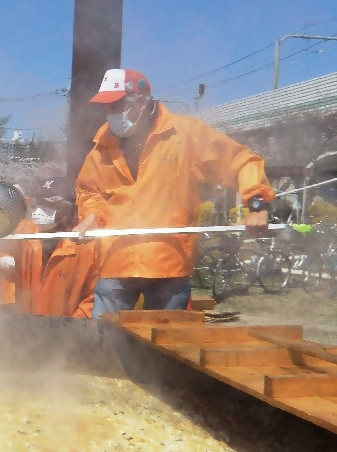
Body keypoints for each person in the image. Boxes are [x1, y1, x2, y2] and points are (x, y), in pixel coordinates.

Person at [75, 68, 274, 316]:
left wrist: (256, 205)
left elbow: (240, 162)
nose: (110, 113)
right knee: (103, 341)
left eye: (116, 104)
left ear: (141, 100)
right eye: (105, 107)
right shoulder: (101, 147)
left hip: (168, 262)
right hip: (117, 260)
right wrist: (92, 216)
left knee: (164, 344)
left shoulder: (186, 134)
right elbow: (90, 191)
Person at [32, 177, 100, 318]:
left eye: (50, 204)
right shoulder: (27, 238)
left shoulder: (86, 249)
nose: (40, 210)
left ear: (69, 209)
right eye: (39, 202)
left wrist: (70, 328)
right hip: (27, 328)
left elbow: (93, 298)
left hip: (66, 332)